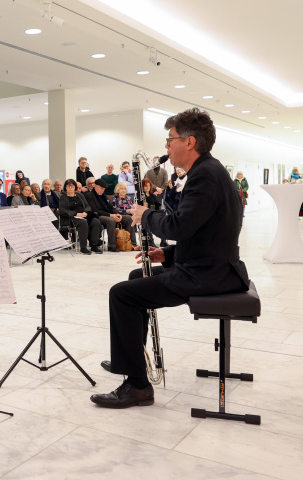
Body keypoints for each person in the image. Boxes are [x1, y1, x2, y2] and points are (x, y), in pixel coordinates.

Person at [91, 107, 250, 409]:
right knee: (137, 279)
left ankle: (138, 387)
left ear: (189, 142)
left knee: (121, 295)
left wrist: (146, 214)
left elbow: (179, 226)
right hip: (210, 265)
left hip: (207, 275)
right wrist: (168, 253)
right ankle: (132, 361)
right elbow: (207, 234)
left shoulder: (205, 176)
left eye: (170, 139)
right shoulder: (209, 171)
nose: (166, 146)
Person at [84, 178, 134, 252]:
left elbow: (111, 207)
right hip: (97, 216)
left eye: (104, 189)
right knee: (110, 221)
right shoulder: (89, 196)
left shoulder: (103, 195)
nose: (102, 190)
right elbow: (95, 210)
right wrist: (110, 215)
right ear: (95, 186)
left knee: (129, 218)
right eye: (101, 188)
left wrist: (117, 214)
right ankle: (112, 245)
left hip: (109, 215)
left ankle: (132, 243)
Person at [59, 179, 102, 254]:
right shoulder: (63, 197)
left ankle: (94, 245)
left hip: (83, 216)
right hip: (71, 218)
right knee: (83, 222)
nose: (70, 188)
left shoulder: (80, 195)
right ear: (65, 187)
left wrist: (85, 212)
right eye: (68, 186)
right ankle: (83, 247)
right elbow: (62, 210)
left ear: (75, 187)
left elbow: (87, 206)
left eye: (72, 186)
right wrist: (76, 214)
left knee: (95, 222)